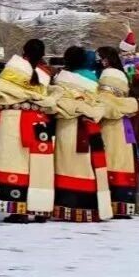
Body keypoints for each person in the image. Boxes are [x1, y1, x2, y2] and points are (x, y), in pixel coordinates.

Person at [0, 41, 56, 222]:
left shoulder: (13, 70)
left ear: (24, 51)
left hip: (14, 120)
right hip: (39, 122)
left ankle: (19, 210)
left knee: (15, 163)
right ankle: (40, 209)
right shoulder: (44, 75)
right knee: (38, 166)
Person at [49, 47, 111, 222]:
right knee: (87, 166)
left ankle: (65, 206)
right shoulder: (94, 82)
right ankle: (88, 207)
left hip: (66, 127)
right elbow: (100, 106)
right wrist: (87, 110)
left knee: (66, 165)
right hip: (90, 128)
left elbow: (56, 106)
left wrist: (75, 109)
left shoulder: (59, 82)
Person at [97, 68, 139, 218]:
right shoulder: (129, 103)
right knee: (120, 163)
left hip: (109, 135)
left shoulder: (99, 99)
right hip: (120, 137)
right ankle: (121, 204)